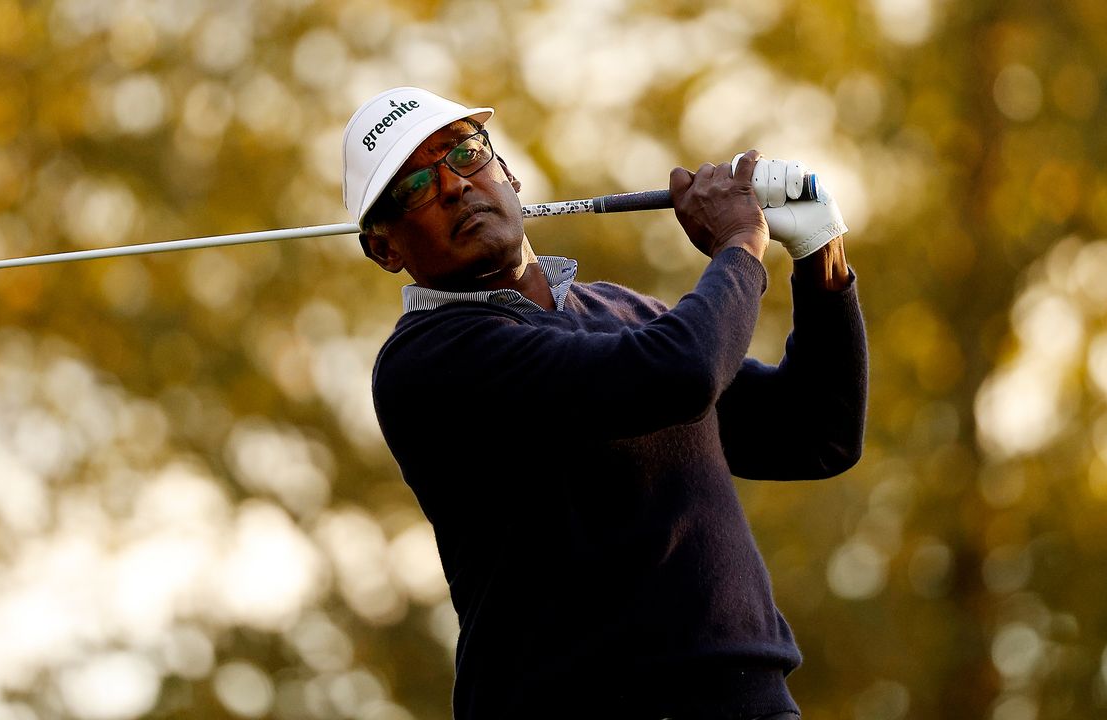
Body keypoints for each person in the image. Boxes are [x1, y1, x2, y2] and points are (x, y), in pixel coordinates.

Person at [341, 87, 867, 720]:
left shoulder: (620, 311)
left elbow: (816, 433)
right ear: (385, 249)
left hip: (751, 703)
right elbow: (682, 372)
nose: (453, 186)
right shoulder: (429, 361)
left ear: (506, 174)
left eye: (464, 153)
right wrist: (740, 244)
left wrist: (820, 259)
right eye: (413, 188)